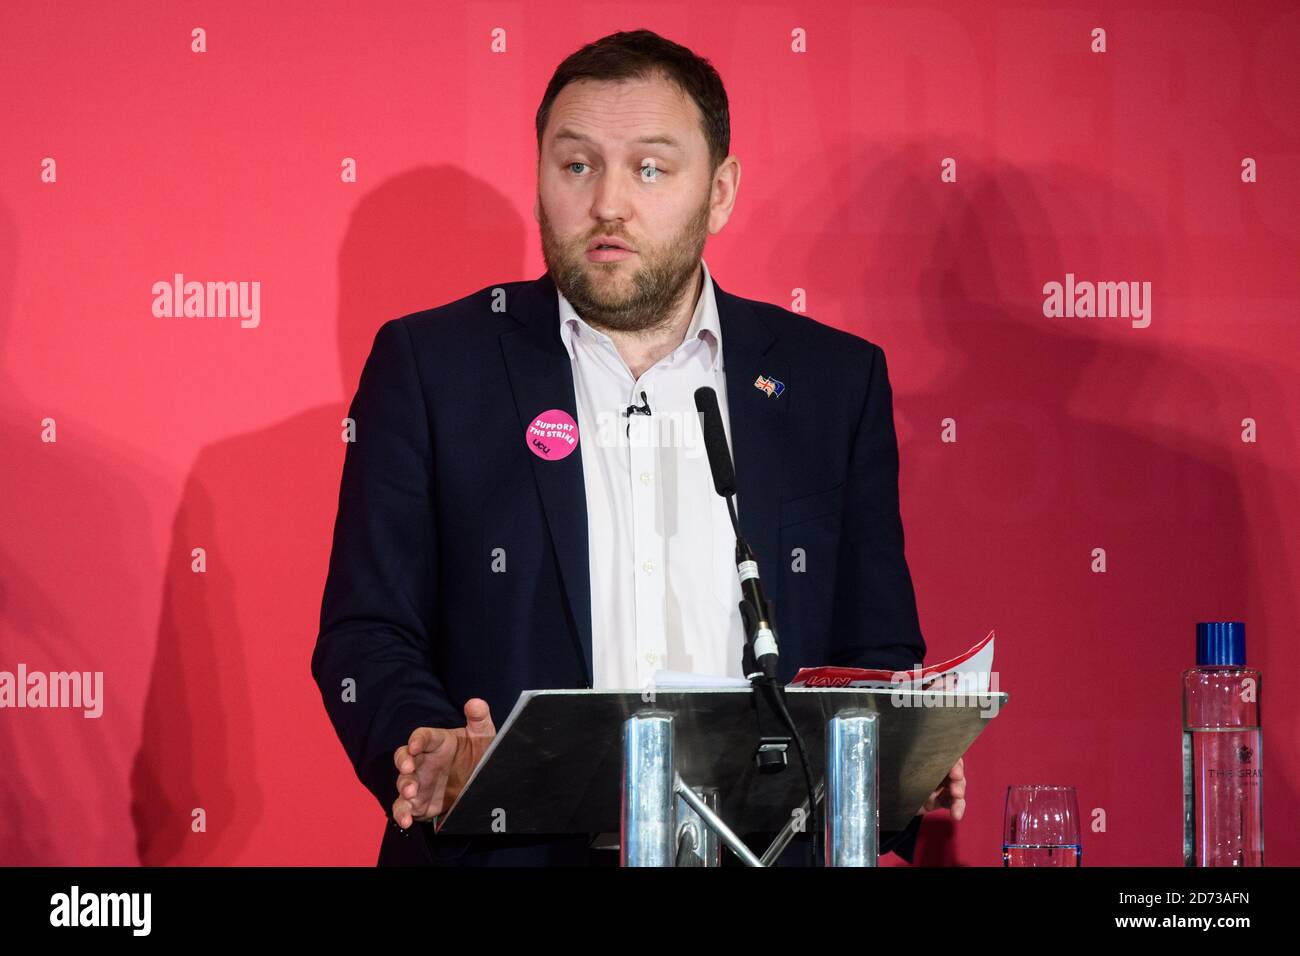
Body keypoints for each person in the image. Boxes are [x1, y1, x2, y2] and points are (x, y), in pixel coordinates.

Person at [311, 28, 964, 867]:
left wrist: (906, 758)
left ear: (719, 191)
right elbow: (366, 631)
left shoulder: (831, 381)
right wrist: (425, 745)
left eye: (650, 168)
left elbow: (876, 652)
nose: (608, 203)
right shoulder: (434, 366)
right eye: (576, 165)